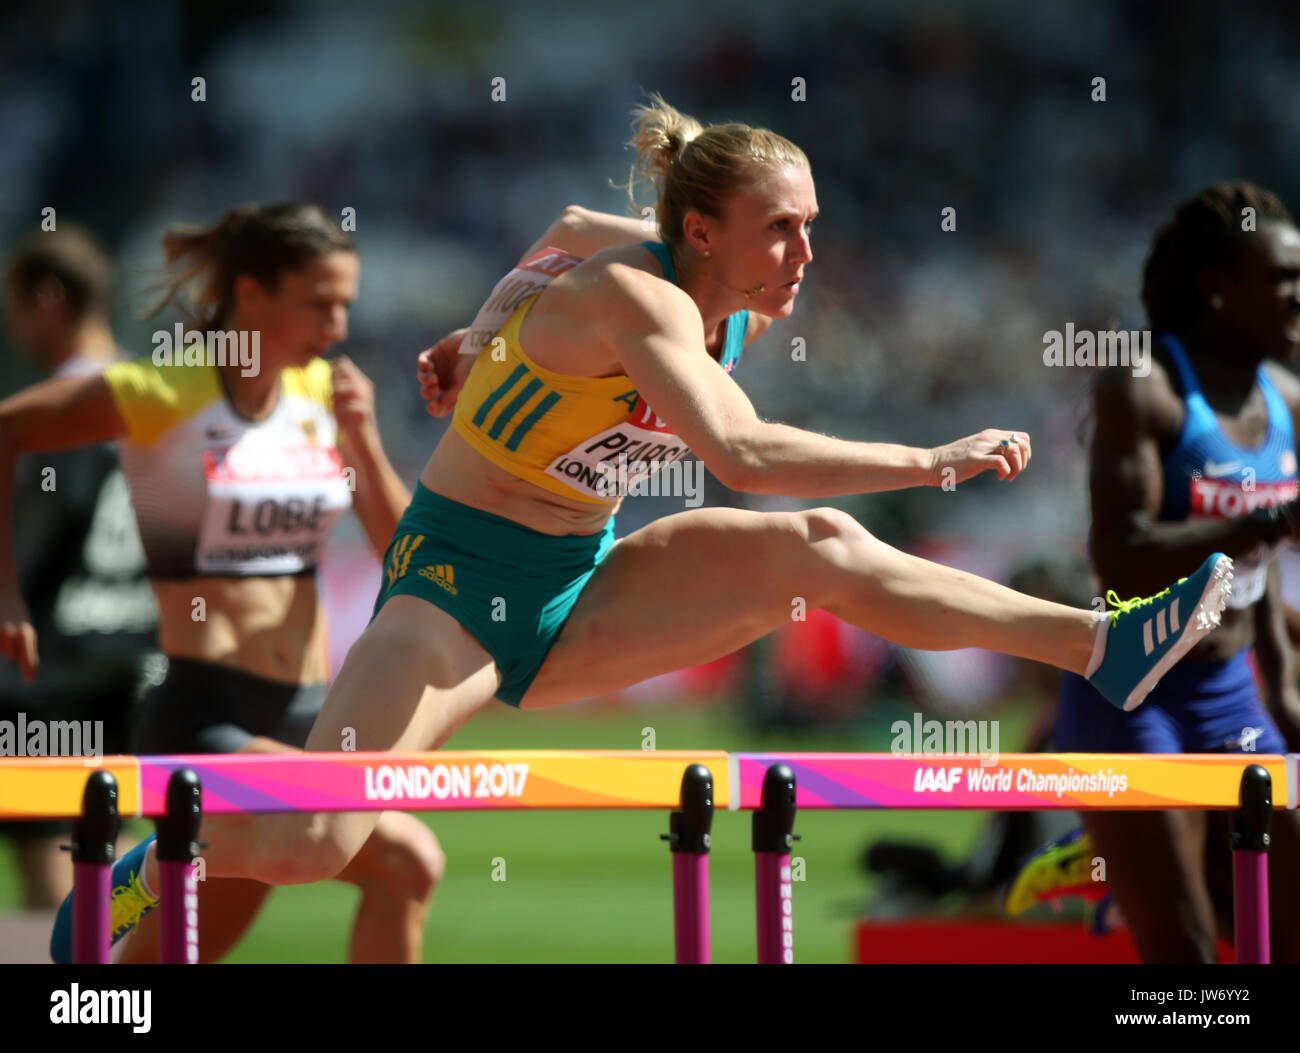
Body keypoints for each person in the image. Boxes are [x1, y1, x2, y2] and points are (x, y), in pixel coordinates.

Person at [28, 97, 1232, 957]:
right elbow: (741, 454)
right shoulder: (632, 294)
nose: (806, 252)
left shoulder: (685, 280)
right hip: (454, 587)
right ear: (698, 233)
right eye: (783, 229)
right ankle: (149, 850)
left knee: (824, 554)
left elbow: (553, 221)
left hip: (581, 578)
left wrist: (472, 332)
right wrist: (927, 456)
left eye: (810, 224)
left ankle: (1100, 645)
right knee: (318, 842)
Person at [0, 203, 443, 963]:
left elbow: (404, 552)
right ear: (249, 294)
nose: (337, 325)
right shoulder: (162, 390)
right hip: (206, 712)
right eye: (318, 302)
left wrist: (364, 441)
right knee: (407, 858)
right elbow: (8, 429)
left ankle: (169, 867)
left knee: (157, 972)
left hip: (313, 710)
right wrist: (5, 593)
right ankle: (150, 861)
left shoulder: (319, 395)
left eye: (346, 303)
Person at [1052, 182, 1300, 962]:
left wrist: (1286, 692)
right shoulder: (1142, 385)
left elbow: (1256, 583)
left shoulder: (1291, 396)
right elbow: (1120, 553)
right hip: (1132, 695)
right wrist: (1261, 522)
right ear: (1218, 289)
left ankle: (1104, 867)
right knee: (1185, 958)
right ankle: (1108, 861)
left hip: (1231, 695)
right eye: (1283, 278)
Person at [0, 227, 157, 911]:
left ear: (47, 297)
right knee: (107, 852)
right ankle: (116, 1002)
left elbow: (33, 537)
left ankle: (73, 1001)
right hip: (137, 655)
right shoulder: (161, 398)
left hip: (48, 667)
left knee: (48, 872)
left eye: (16, 305)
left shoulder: (49, 416)